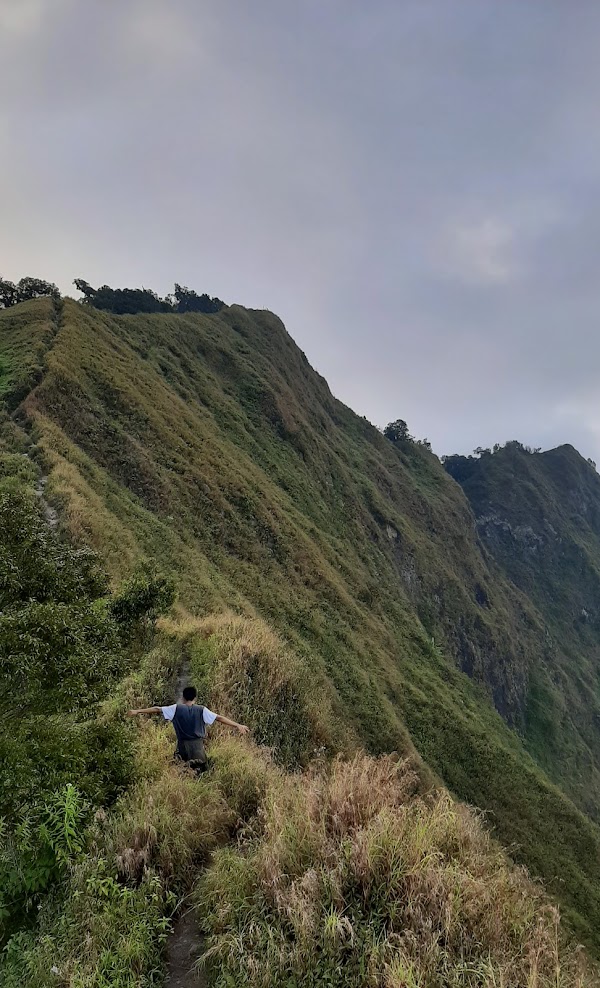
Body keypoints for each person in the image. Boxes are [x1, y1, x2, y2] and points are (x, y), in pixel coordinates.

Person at [128, 686, 249, 773]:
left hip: (182, 747)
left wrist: (137, 711)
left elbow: (157, 709)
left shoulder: (176, 708)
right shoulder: (202, 710)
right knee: (201, 772)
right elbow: (220, 718)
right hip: (198, 748)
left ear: (183, 698)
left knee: (182, 771)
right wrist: (238, 725)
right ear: (195, 698)